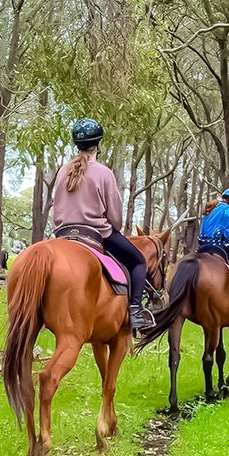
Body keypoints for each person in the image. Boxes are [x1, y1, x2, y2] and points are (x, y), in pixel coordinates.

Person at [51, 118, 155, 332]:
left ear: (77, 144)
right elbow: (115, 219)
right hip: (96, 233)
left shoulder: (62, 171)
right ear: (98, 144)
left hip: (63, 235)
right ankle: (136, 311)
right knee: (138, 262)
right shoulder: (104, 173)